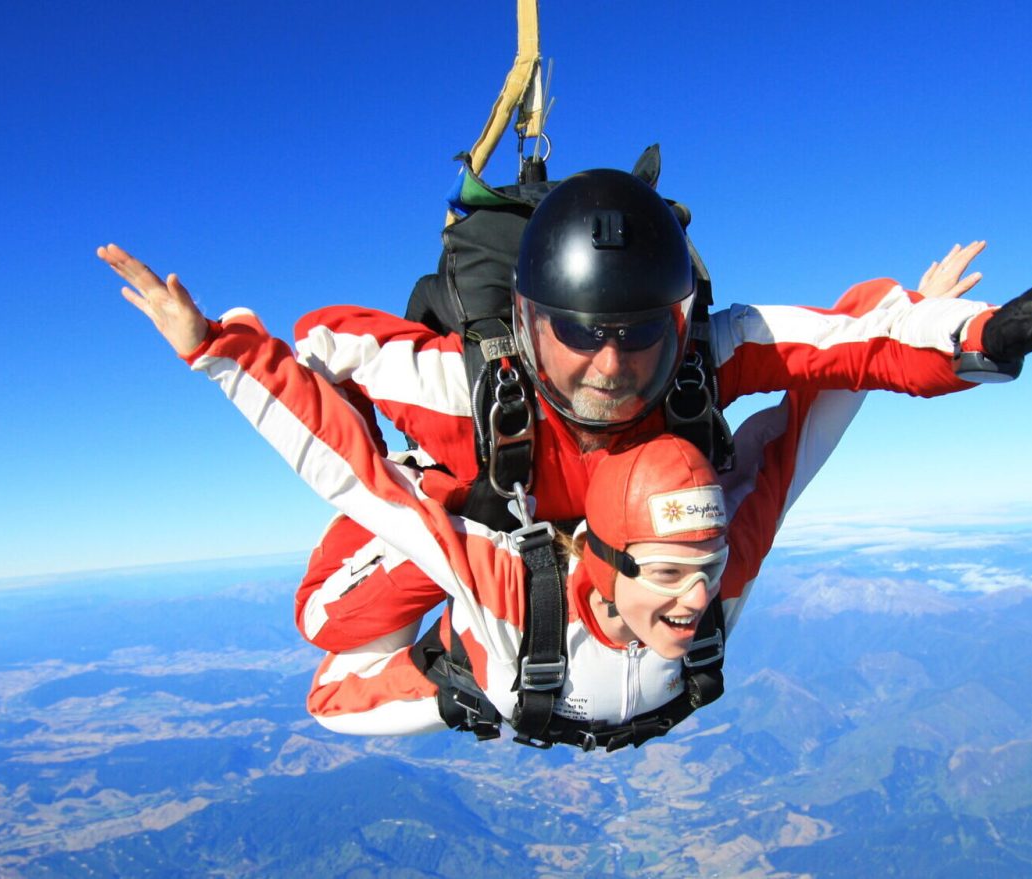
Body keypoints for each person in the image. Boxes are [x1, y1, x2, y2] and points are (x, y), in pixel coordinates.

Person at [102, 247, 879, 747]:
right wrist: (220, 352)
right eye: (674, 572)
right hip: (496, 636)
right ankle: (441, 482)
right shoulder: (504, 585)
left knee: (342, 686)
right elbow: (355, 474)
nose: (700, 593)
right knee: (322, 627)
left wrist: (907, 318)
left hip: (499, 674)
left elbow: (812, 426)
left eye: (704, 567)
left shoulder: (721, 572)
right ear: (602, 556)